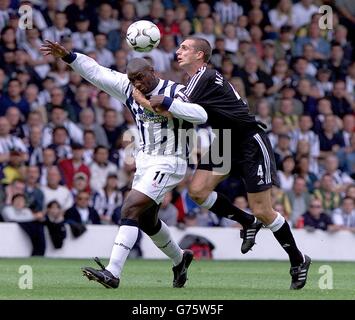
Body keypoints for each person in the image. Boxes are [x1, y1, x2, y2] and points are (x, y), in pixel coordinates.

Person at [144, 37, 311, 290]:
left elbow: (183, 111)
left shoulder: (204, 76)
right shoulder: (195, 80)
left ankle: (298, 259)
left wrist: (159, 101)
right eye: (178, 48)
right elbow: (181, 110)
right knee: (198, 192)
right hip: (224, 140)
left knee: (264, 211)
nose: (178, 52)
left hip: (249, 141)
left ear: (200, 55)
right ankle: (246, 222)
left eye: (184, 48)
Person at [40, 40, 208, 289]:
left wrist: (169, 104)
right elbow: (97, 73)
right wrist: (69, 57)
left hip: (170, 161)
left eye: (141, 78)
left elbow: (201, 115)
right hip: (145, 162)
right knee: (147, 221)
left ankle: (112, 272)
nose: (137, 84)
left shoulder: (175, 91)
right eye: (133, 79)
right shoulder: (129, 88)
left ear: (152, 72)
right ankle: (180, 258)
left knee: (129, 208)